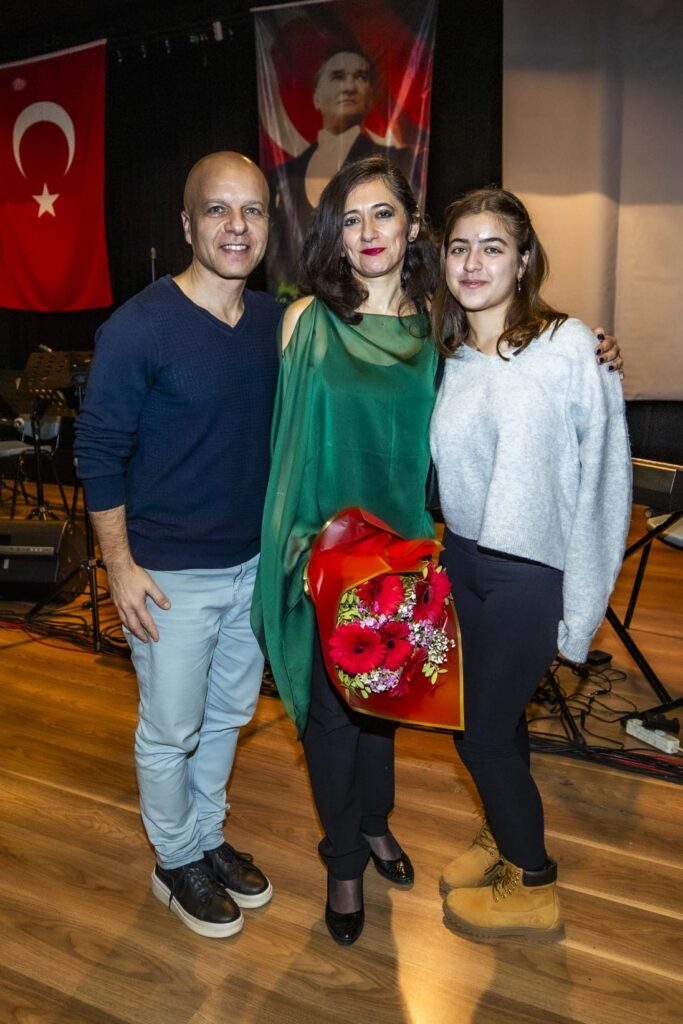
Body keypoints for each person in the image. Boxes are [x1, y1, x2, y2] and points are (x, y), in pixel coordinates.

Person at [253, 157, 623, 946]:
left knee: (383, 707)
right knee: (332, 717)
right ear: (333, 236)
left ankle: (378, 825)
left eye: (382, 213)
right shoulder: (303, 321)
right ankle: (342, 861)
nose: (367, 232)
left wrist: (593, 352)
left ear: (411, 226)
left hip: (412, 558)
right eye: (349, 219)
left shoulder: (438, 327)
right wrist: (285, 549)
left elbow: (526, 381)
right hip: (326, 554)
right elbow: (282, 444)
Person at [74, 152, 281, 939]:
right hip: (167, 577)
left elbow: (375, 329)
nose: (237, 226)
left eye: (253, 209)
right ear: (188, 224)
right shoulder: (139, 327)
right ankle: (173, 860)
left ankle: (206, 837)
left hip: (251, 568)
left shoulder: (277, 323)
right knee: (170, 730)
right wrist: (119, 567)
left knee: (226, 717)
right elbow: (98, 451)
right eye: (218, 209)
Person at [429, 187, 632, 942]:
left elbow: (606, 479)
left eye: (493, 247)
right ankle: (504, 833)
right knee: (492, 720)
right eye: (459, 247)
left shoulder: (571, 346)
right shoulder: (447, 356)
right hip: (463, 561)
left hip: (530, 573)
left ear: (522, 262)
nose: (473, 262)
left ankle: (533, 882)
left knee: (478, 734)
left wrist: (581, 610)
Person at [268, 45, 414, 289]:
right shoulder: (282, 176)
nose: (349, 87)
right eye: (337, 76)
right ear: (315, 97)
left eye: (360, 77)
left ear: (371, 96)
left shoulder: (401, 161)